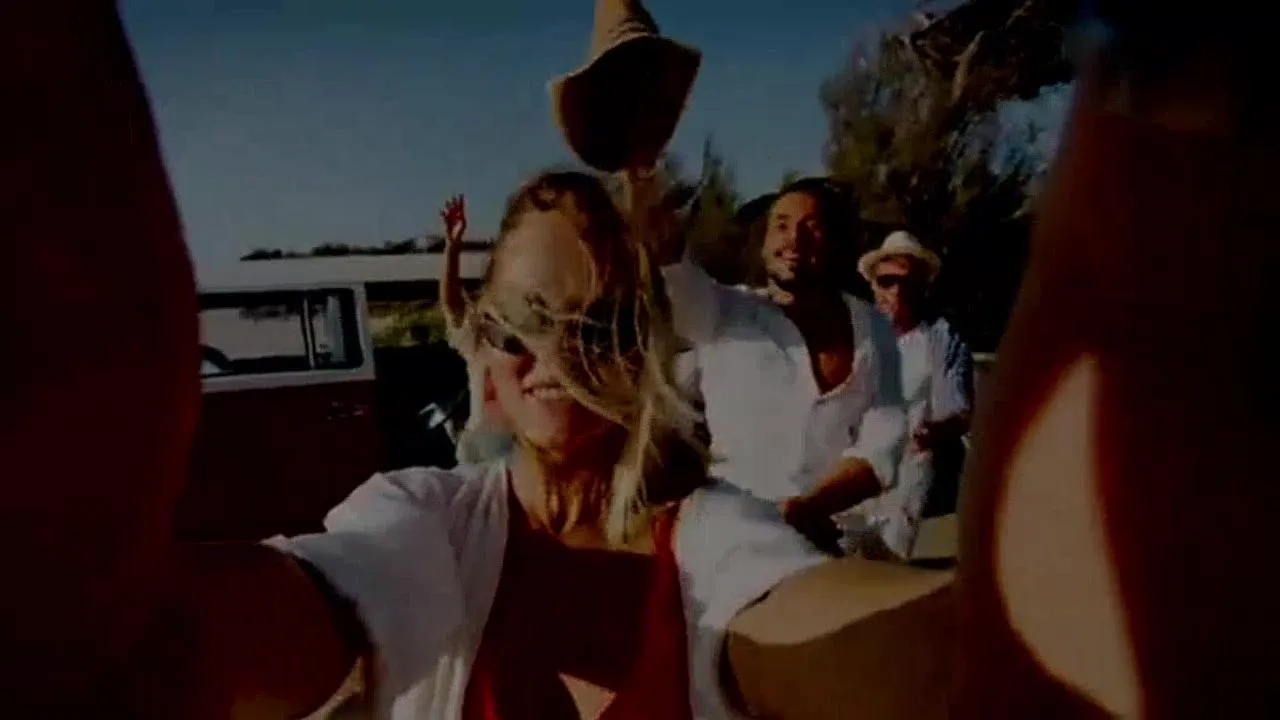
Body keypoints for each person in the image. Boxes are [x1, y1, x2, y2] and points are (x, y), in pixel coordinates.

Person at [656, 177, 909, 553]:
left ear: (837, 243)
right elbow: (677, 275)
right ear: (763, 242)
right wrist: (655, 216)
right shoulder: (723, 313)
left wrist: (809, 507)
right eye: (782, 225)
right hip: (733, 542)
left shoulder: (873, 327)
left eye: (812, 228)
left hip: (835, 541)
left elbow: (883, 444)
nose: (794, 240)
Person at [846, 230, 974, 558]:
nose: (897, 291)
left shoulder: (941, 339)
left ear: (922, 287)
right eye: (887, 281)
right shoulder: (854, 333)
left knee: (888, 561)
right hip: (850, 465)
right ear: (873, 285)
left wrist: (931, 432)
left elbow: (958, 409)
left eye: (908, 283)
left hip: (907, 471)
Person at [438, 193, 515, 464]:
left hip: (520, 445)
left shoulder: (535, 338)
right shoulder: (479, 339)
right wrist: (452, 247)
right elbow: (451, 303)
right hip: (481, 446)